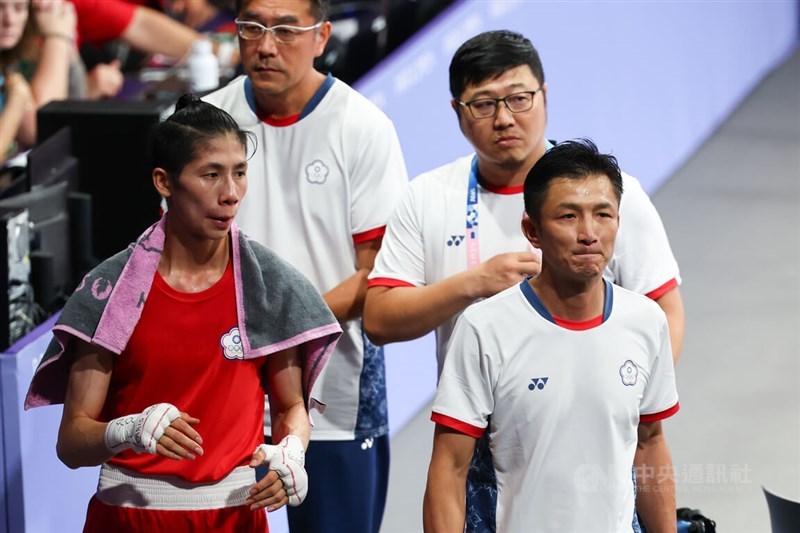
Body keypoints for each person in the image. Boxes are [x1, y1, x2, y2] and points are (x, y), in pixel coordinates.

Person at [363, 30, 684, 531]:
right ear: (457, 110)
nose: (505, 118)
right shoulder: (429, 197)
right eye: (484, 103)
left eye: (518, 98)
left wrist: (620, 401)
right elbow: (379, 319)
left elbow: (663, 313)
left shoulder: (614, 195)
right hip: (487, 432)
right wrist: (474, 283)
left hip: (603, 426)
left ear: (545, 95)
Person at [24, 94, 342, 532]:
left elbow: (291, 406)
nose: (230, 194)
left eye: (240, 173)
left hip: (235, 519)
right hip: (129, 519)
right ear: (164, 181)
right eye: (210, 175)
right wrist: (127, 430)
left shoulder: (269, 288)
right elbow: (72, 443)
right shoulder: (110, 295)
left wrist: (292, 451)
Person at [203, 1, 408, 531]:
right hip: (223, 395)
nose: (266, 44)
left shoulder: (363, 126)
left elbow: (379, 276)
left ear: (322, 36)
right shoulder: (204, 123)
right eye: (252, 27)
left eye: (286, 29)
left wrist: (279, 328)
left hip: (334, 397)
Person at [423, 139, 679, 532]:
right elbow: (449, 469)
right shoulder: (484, 328)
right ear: (532, 230)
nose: (589, 233)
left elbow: (650, 445)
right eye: (568, 216)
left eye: (603, 214)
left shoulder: (647, 321)